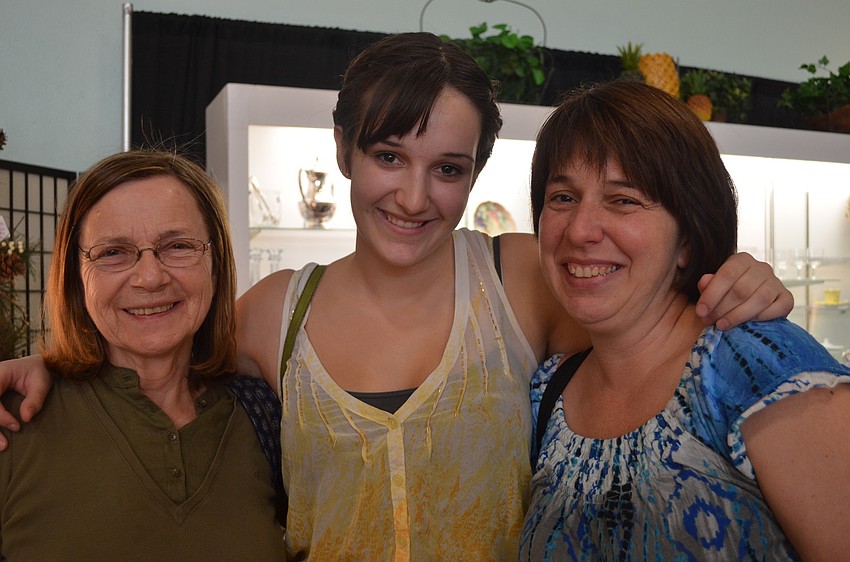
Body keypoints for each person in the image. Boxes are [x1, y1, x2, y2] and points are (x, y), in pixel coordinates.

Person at [0, 34, 792, 560]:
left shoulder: (519, 277)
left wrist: (727, 278)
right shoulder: (279, 311)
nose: (414, 196)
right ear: (343, 148)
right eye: (388, 155)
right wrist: (42, 363)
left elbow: (643, 317)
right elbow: (155, 340)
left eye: (448, 168)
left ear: (475, 174)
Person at [519, 79, 850, 561]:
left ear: (688, 240)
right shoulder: (546, 392)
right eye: (562, 198)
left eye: (623, 200)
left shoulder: (759, 369)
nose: (580, 230)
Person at [0, 150, 286, 560]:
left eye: (178, 245)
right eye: (113, 252)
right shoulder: (15, 421)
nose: (151, 277)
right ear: (75, 278)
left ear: (216, 263)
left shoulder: (266, 417)